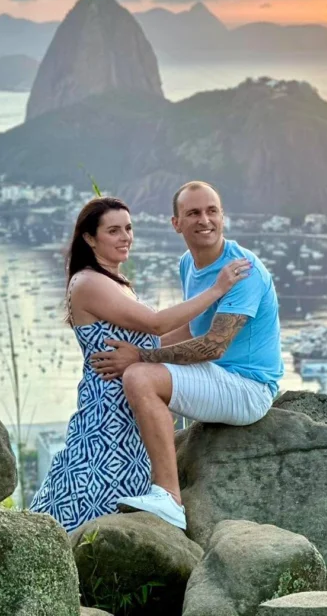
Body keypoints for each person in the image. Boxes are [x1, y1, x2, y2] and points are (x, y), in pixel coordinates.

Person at [30, 196, 250, 531]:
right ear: (90, 238)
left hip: (132, 411)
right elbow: (156, 324)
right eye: (113, 231)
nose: (125, 237)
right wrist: (218, 289)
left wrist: (219, 325)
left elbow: (154, 343)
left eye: (128, 229)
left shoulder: (116, 283)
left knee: (129, 514)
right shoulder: (88, 282)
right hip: (107, 418)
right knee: (90, 510)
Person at [90, 181, 283, 530]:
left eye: (212, 211)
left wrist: (140, 358)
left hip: (248, 388)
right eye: (193, 213)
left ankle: (169, 498)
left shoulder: (243, 271)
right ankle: (130, 476)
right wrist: (134, 350)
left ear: (223, 217)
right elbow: (194, 328)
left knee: (139, 377)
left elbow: (213, 345)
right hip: (219, 376)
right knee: (129, 377)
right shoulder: (188, 264)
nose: (204, 219)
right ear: (176, 223)